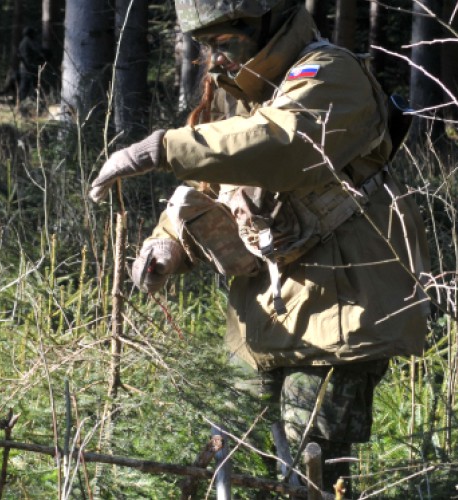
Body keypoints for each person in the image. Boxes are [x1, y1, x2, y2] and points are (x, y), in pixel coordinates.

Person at [89, 0, 430, 493]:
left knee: (311, 469)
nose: (216, 58)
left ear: (268, 25)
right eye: (206, 46)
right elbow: (214, 185)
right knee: (235, 456)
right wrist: (168, 242)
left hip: (338, 313)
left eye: (225, 43)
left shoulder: (331, 73)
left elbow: (282, 146)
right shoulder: (240, 94)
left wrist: (164, 147)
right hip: (262, 318)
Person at [17, 26, 48, 102]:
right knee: (32, 86)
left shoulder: (23, 42)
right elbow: (37, 50)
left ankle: (21, 102)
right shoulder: (29, 41)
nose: (35, 34)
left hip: (24, 67)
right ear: (31, 33)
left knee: (24, 86)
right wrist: (46, 52)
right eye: (33, 33)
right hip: (29, 67)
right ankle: (30, 102)